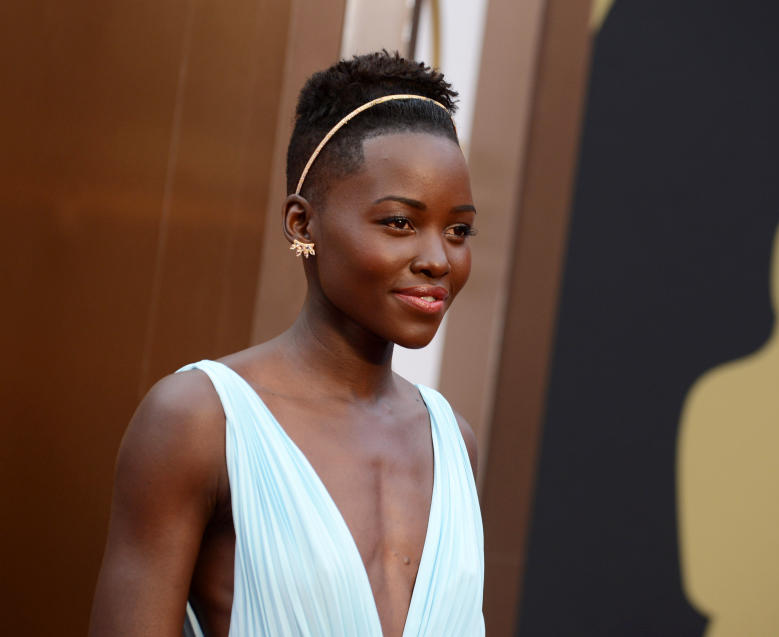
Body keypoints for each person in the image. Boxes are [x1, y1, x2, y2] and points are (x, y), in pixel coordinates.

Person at [89, 52, 485, 637]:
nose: (437, 259)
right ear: (303, 224)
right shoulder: (198, 421)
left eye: (458, 231)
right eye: (400, 222)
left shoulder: (455, 444)